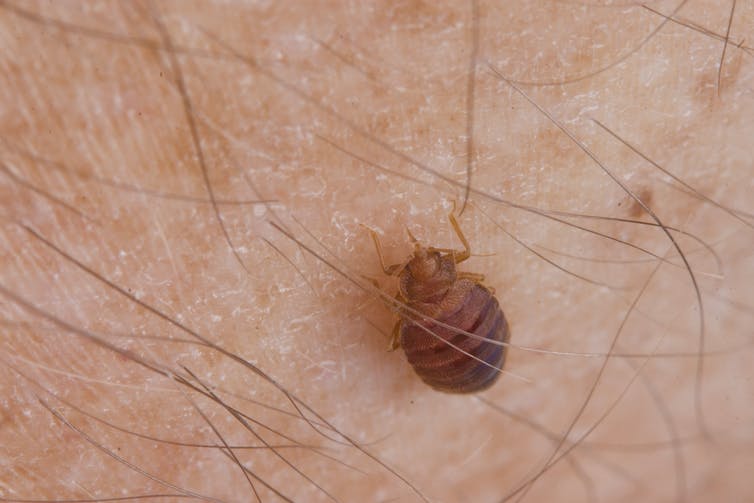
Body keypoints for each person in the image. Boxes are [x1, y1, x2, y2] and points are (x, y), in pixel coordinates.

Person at [1, 2, 752, 501]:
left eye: (432, 271)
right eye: (438, 266)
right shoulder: (436, 297)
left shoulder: (425, 304)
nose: (429, 261)